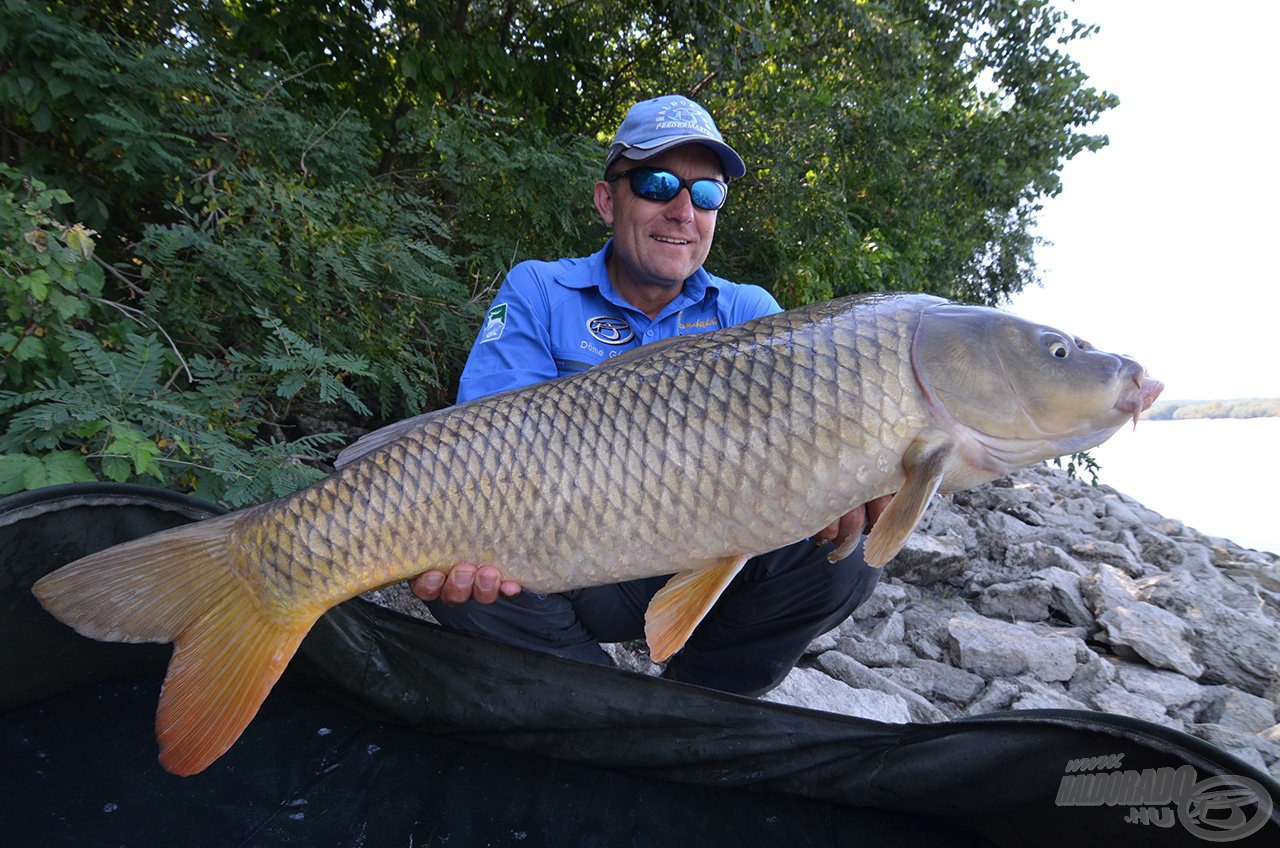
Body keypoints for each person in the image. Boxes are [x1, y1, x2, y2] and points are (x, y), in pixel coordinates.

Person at [409, 95, 890, 696]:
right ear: (608, 199)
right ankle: (597, 702)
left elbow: (813, 451)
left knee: (846, 556)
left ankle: (697, 707)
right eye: (658, 183)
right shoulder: (539, 289)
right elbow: (484, 454)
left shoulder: (753, 315)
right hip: (573, 564)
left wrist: (851, 481)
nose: (683, 210)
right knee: (460, 576)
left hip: (709, 569)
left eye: (706, 193)